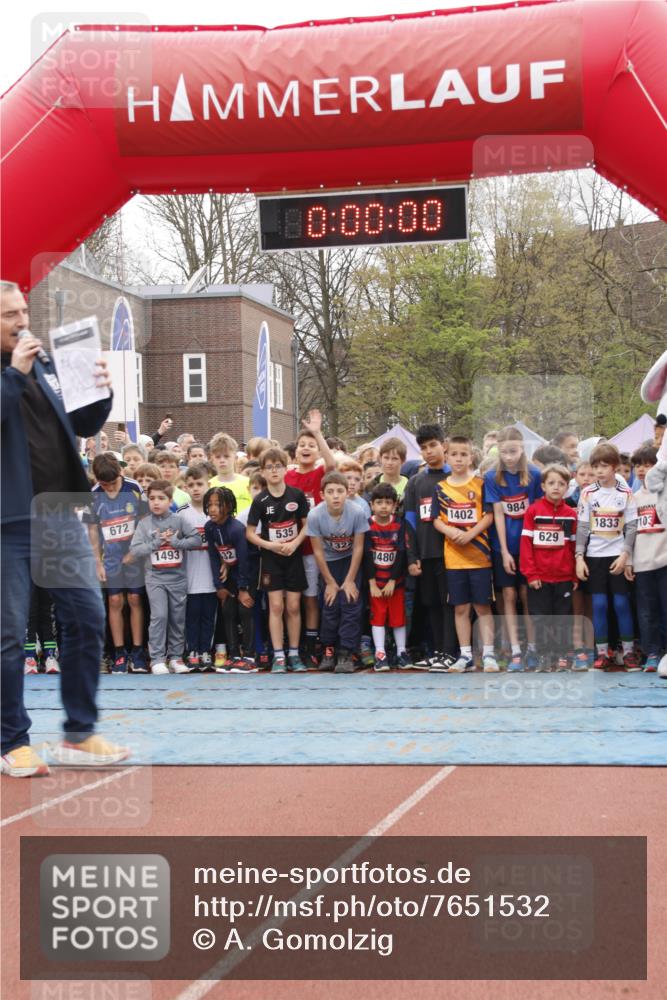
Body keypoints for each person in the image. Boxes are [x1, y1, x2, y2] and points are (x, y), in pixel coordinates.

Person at [1, 279, 127, 777]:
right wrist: (14, 374)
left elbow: (86, 425)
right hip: (7, 521)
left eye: (23, 311)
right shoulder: (21, 367)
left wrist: (101, 389)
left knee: (87, 616)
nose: (22, 321)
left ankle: (79, 733)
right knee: (9, 635)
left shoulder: (45, 362)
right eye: (10, 315)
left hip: (58, 513)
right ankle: (11, 741)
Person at [431, 436, 497, 673]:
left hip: (479, 556)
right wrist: (450, 531)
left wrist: (470, 534)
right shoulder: (440, 487)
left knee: (482, 606)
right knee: (460, 608)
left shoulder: (480, 484)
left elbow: (489, 515)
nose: (458, 459)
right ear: (447, 456)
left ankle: (488, 653)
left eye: (463, 454)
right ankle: (465, 654)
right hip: (454, 559)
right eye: (454, 454)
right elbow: (436, 519)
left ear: (471, 457)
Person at [575, 442, 639, 671]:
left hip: (617, 555)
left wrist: (625, 555)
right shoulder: (588, 493)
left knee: (621, 603)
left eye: (604, 466)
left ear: (614, 467)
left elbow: (631, 527)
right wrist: (579, 557)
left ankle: (628, 652)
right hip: (595, 556)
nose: (599, 471)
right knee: (599, 604)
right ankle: (602, 653)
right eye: (595, 467)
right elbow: (582, 527)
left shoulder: (625, 493)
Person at [483, 426, 542, 671]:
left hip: (528, 545)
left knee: (527, 596)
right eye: (504, 452)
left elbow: (536, 512)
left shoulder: (535, 474)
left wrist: (531, 549)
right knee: (508, 596)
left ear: (522, 449)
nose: (509, 457)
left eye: (513, 451)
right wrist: (505, 551)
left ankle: (533, 648)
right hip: (503, 545)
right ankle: (515, 650)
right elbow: (498, 514)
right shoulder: (491, 477)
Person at [127, 480, 201, 674]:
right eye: (152, 498)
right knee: (159, 616)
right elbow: (135, 550)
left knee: (177, 618)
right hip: (155, 579)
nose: (156, 502)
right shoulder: (144, 523)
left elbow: (196, 539)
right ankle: (157, 659)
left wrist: (177, 542)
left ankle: (176, 658)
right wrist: (155, 543)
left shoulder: (179, 520)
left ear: (170, 500)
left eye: (161, 498)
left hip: (177, 579)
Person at [247, 447, 310, 673]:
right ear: (263, 472)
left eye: (278, 466)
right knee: (276, 606)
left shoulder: (297, 495)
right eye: (269, 467)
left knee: (293, 606)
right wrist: (270, 545)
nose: (274, 471)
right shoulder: (260, 500)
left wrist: (295, 543)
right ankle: (279, 656)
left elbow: (307, 525)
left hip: (293, 557)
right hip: (271, 559)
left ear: (285, 468)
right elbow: (250, 533)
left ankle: (294, 653)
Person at [85, 452, 146, 674]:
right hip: (110, 558)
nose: (110, 488)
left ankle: (138, 652)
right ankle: (120, 653)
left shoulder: (134, 488)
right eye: (105, 485)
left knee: (135, 599)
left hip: (133, 555)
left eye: (113, 483)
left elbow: (144, 522)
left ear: (120, 473)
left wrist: (135, 551)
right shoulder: (93, 495)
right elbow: (93, 530)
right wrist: (97, 562)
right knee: (114, 601)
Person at [284, 410, 336, 666]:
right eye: (302, 445)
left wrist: (317, 433)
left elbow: (332, 464)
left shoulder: (318, 474)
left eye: (311, 445)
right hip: (288, 546)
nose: (306, 448)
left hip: (312, 546)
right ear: (295, 451)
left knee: (311, 597)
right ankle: (291, 644)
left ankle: (311, 642)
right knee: (291, 600)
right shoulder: (287, 476)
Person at [403, 424, 456, 669]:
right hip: (426, 553)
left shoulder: (455, 478)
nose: (429, 451)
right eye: (424, 448)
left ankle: (451, 652)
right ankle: (437, 651)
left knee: (449, 603)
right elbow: (410, 521)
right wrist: (412, 555)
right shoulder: (415, 482)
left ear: (444, 445)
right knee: (431, 603)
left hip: (452, 553)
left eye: (433, 445)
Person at [307, 471, 369, 673]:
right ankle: (329, 649)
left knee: (350, 601)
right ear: (322, 494)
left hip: (351, 561)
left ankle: (346, 652)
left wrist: (350, 580)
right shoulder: (315, 515)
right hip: (329, 563)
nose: (335, 496)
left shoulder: (357, 512)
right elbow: (317, 551)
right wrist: (330, 582)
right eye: (331, 491)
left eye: (340, 491)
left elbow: (358, 547)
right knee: (330, 602)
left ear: (347, 492)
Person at [520, 464, 579, 670]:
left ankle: (562, 655)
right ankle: (544, 656)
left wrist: (574, 575)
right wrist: (531, 574)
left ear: (567, 487)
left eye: (561, 484)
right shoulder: (533, 511)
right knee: (541, 619)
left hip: (563, 578)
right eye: (551, 483)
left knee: (563, 619)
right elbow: (526, 545)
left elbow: (573, 546)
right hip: (539, 578)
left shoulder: (571, 514)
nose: (556, 487)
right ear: (543, 486)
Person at [205, 486, 257, 673]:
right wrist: (218, 585)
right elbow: (213, 556)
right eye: (209, 505)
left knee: (245, 610)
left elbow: (244, 559)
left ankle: (250, 657)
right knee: (228, 611)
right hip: (229, 574)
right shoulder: (209, 527)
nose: (212, 509)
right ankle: (234, 655)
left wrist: (243, 588)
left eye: (218, 505)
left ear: (228, 506)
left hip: (247, 573)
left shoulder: (236, 528)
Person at [364, 483, 413, 671]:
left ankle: (401, 652)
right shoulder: (367, 525)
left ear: (395, 505)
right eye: (379, 502)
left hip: (395, 583)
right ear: (371, 505)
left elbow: (401, 552)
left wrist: (392, 580)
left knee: (398, 617)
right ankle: (380, 653)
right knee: (378, 617)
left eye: (388, 502)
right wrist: (372, 583)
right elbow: (366, 555)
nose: (383, 506)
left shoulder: (400, 524)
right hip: (376, 583)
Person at [630, 444, 667, 672]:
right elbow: (629, 534)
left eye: (648, 465)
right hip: (642, 564)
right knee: (646, 612)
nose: (642, 470)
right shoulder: (632, 499)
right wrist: (628, 561)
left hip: (664, 561)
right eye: (638, 466)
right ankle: (652, 653)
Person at [180, 464, 218, 672]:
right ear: (185, 487)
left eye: (199, 484)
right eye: (191, 485)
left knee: (208, 617)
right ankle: (192, 651)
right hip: (189, 577)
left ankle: (205, 651)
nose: (195, 488)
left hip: (211, 578)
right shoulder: (181, 514)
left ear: (208, 485)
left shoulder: (214, 512)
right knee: (191, 617)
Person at [208, 432, 252, 512]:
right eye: (218, 457)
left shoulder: (248, 483)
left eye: (226, 456)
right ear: (212, 459)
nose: (222, 460)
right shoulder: (209, 485)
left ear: (235, 458)